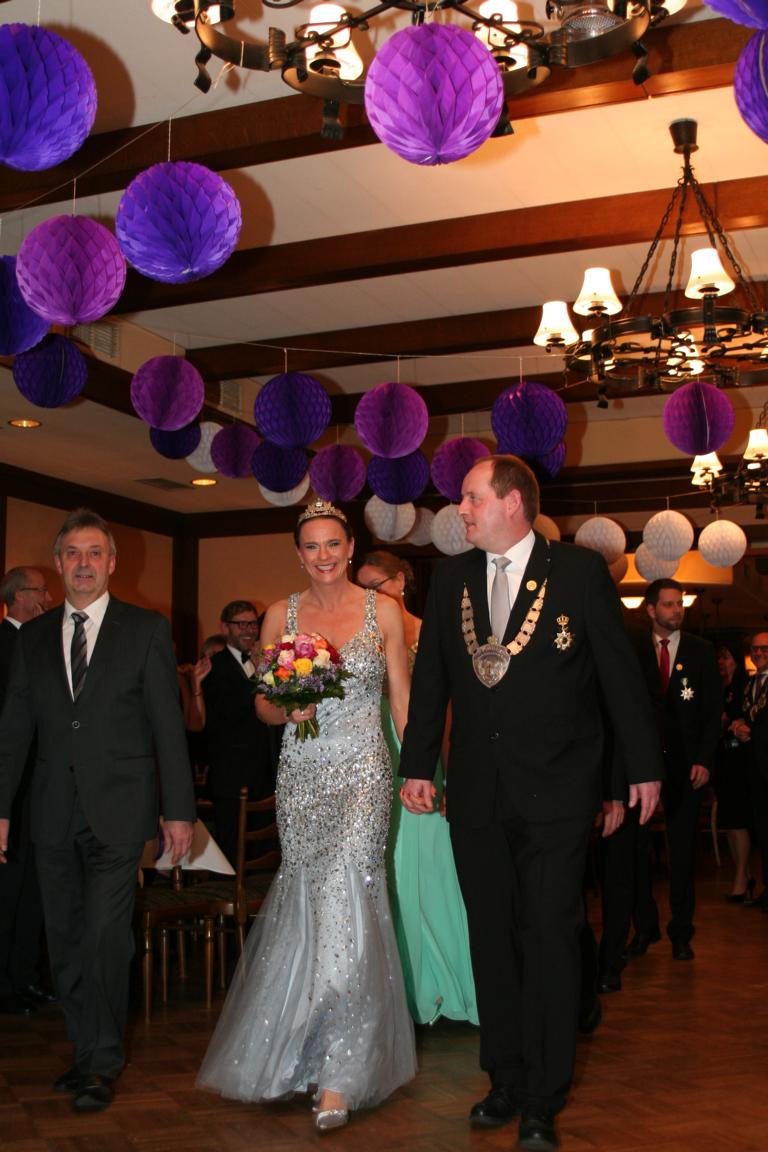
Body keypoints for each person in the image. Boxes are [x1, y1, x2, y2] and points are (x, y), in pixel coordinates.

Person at [398, 455, 662, 1152]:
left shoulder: (577, 573)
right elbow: (433, 681)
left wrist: (641, 768)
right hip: (476, 792)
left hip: (557, 792)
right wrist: (418, 765)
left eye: (470, 497)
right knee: (490, 936)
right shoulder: (451, 577)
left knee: (548, 935)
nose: (460, 509)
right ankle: (505, 1078)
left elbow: (617, 677)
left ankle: (544, 1098)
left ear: (511, 502)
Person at [197, 499, 417, 1132]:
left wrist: (419, 770)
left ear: (350, 549)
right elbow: (263, 707)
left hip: (365, 772)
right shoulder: (280, 614)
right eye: (311, 546)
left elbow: (401, 700)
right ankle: (298, 1047)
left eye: (333, 544)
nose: (323, 555)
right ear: (299, 554)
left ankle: (341, 1069)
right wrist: (289, 707)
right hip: (301, 773)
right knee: (308, 901)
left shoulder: (384, 611)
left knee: (350, 896)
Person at [0, 509, 196, 1114]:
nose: (83, 563)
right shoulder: (32, 637)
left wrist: (178, 810)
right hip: (51, 811)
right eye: (73, 554)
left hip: (120, 810)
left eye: (94, 553)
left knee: (106, 936)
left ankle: (101, 1062)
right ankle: (85, 1051)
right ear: (58, 564)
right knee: (64, 939)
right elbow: (14, 728)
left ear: (112, 562)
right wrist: (1, 807)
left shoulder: (145, 629)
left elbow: (167, 726)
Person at [356, 549, 477, 1025]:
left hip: (422, 755)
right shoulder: (361, 637)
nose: (369, 595)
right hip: (372, 755)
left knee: (432, 864)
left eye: (376, 585)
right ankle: (399, 989)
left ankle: (448, 982)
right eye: (362, 588)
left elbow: (449, 709)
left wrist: (445, 770)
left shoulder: (431, 631)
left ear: (401, 582)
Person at [628, 580, 721, 961]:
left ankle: (682, 931)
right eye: (668, 605)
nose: (676, 610)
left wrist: (705, 759)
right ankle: (643, 926)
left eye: (679, 604)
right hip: (643, 765)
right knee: (636, 850)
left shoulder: (700, 650)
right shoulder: (634, 649)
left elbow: (712, 712)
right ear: (651, 610)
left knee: (682, 852)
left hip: (687, 766)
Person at [0, 567, 53, 1016]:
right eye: (41, 590)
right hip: (10, 787)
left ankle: (25, 976)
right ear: (18, 596)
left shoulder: (42, 642)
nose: (48, 598)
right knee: (7, 888)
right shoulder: (4, 643)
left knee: (34, 886)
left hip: (41, 786)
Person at [199, 601, 277, 869]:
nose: (249, 630)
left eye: (253, 624)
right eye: (241, 624)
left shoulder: (266, 664)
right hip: (231, 772)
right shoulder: (214, 666)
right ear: (225, 628)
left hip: (264, 769)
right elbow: (227, 713)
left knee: (264, 846)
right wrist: (259, 676)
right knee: (232, 847)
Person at [728, 631, 768, 911]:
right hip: (754, 769)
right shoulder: (750, 683)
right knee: (762, 832)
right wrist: (737, 726)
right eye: (755, 649)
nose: (759, 653)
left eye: (765, 648)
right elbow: (738, 714)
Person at [714, 641, 753, 901]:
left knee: (738, 819)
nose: (722, 662)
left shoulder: (743, 685)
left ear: (736, 660)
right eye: (720, 658)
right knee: (728, 820)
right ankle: (744, 873)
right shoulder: (721, 687)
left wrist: (729, 721)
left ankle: (741, 878)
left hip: (739, 760)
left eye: (726, 658)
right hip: (723, 759)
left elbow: (742, 720)